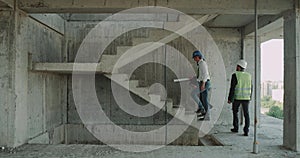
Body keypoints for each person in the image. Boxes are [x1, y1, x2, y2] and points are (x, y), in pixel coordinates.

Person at [227, 59, 252, 136]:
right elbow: (251, 87)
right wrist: (250, 97)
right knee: (246, 114)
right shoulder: (249, 76)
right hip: (246, 98)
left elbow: (232, 88)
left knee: (235, 112)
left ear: (238, 67)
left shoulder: (235, 75)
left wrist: (230, 99)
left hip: (237, 97)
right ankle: (246, 131)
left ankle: (236, 128)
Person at [191, 50, 211, 120]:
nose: (194, 59)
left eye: (194, 57)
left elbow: (205, 75)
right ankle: (204, 110)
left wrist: (203, 84)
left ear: (197, 57)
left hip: (205, 83)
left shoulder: (202, 63)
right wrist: (194, 78)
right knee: (202, 98)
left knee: (202, 98)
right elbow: (201, 75)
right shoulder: (200, 64)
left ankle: (206, 113)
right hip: (202, 82)